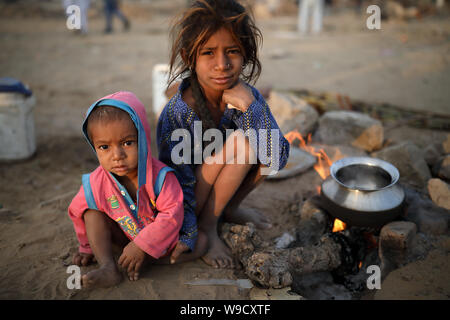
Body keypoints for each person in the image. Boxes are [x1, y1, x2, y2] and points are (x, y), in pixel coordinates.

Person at [157, 0, 290, 269]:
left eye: (232, 51)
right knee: (243, 142)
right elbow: (174, 186)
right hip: (186, 197)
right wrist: (191, 231)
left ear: (246, 54)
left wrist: (252, 109)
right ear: (189, 57)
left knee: (258, 147)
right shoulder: (179, 113)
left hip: (221, 184)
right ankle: (209, 225)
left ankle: (228, 209)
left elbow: (276, 159)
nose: (222, 64)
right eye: (208, 53)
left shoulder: (245, 97)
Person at [68, 91, 207, 288]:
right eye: (104, 147)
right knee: (91, 211)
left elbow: (172, 214)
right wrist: (86, 247)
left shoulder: (161, 178)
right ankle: (108, 266)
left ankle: (149, 260)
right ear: (94, 146)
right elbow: (76, 211)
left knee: (201, 242)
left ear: (143, 138)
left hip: (161, 242)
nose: (117, 155)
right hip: (122, 236)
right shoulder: (96, 181)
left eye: (127, 143)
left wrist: (143, 245)